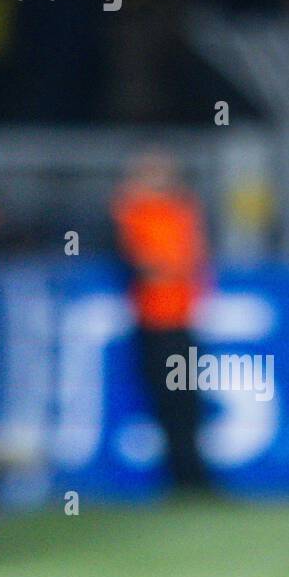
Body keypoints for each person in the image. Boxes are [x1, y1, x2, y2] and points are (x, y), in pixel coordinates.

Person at [112, 150, 212, 491]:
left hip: (181, 320)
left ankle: (193, 475)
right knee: (168, 399)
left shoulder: (180, 210)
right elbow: (147, 265)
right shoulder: (133, 213)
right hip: (154, 323)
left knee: (187, 399)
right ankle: (182, 477)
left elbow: (186, 261)